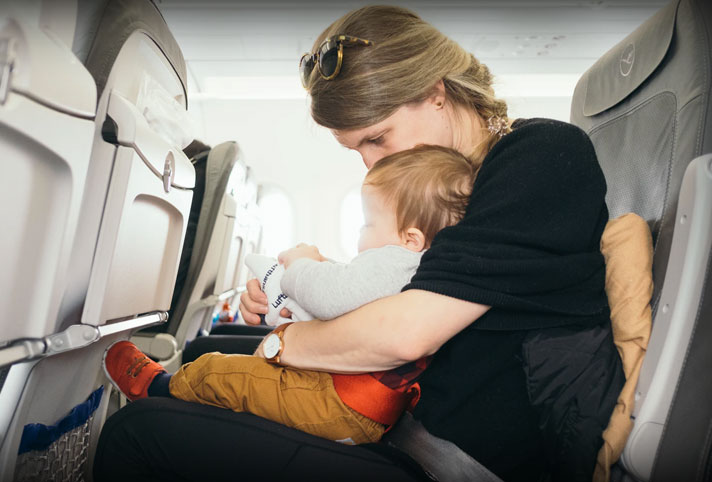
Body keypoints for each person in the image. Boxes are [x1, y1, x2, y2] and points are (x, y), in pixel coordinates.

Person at [94, 6, 624, 482]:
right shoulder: (452, 180)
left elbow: (405, 335)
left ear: (437, 93)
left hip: (447, 459)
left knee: (137, 435)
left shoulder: (541, 156)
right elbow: (407, 284)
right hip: (394, 424)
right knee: (203, 356)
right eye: (355, 148)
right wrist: (293, 295)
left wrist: (288, 342)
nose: (371, 161)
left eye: (377, 137)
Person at [103, 145, 476, 445]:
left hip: (340, 402)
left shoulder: (397, 260)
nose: (362, 235)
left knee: (222, 371)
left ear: (410, 237)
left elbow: (331, 296)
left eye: (368, 224)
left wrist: (300, 264)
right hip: (358, 405)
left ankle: (158, 389)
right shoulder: (418, 265)